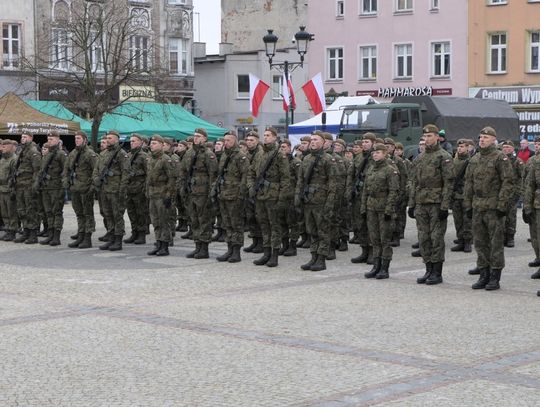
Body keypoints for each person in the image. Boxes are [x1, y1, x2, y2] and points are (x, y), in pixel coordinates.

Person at [464, 126, 513, 291]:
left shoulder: (500, 158)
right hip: (478, 206)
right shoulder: (475, 158)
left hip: (493, 207)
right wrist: (468, 205)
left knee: (495, 243)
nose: (482, 140)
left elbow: (507, 182)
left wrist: (502, 205)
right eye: (480, 137)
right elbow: (468, 183)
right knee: (480, 242)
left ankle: (495, 277)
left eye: (486, 137)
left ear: (493, 139)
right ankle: (483, 274)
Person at [408, 124, 454, 285]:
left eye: (430, 136)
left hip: (436, 202)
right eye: (425, 137)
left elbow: (449, 183)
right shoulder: (420, 158)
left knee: (436, 238)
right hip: (421, 202)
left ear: (437, 137)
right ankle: (428, 269)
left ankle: (437, 272)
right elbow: (413, 182)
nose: (427, 139)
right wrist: (412, 204)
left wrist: (445, 206)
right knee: (424, 238)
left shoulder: (444, 156)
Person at [247, 127, 291, 268]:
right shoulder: (260, 154)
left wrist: (282, 198)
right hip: (260, 195)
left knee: (275, 226)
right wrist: (251, 187)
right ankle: (266, 253)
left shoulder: (279, 155)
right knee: (264, 225)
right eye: (264, 135)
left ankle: (274, 255)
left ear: (274, 137)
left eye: (268, 135)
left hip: (273, 195)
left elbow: (285, 179)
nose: (265, 137)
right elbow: (251, 173)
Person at [295, 131, 336, 271]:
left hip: (322, 201)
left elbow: (333, 184)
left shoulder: (328, 159)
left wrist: (329, 204)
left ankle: (321, 259)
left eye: (316, 140)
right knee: (311, 231)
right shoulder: (306, 159)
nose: (312, 142)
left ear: (323, 142)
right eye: (311, 139)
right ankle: (313, 257)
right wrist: (298, 198)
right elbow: (300, 180)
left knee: (322, 231)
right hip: (308, 201)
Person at [361, 143, 399, 279]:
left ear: (384, 153)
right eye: (373, 153)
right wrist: (363, 207)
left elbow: (394, 191)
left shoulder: (390, 170)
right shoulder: (371, 169)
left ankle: (384, 267)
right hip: (371, 207)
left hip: (384, 208)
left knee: (385, 239)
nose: (375, 154)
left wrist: (389, 210)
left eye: (378, 152)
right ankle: (375, 266)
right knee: (374, 239)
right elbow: (365, 190)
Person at [179, 128, 218, 259]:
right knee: (194, 220)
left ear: (205, 139)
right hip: (191, 192)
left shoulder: (208, 154)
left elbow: (214, 175)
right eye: (194, 136)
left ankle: (204, 248)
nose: (196, 138)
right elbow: (183, 171)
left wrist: (211, 194)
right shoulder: (189, 153)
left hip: (203, 193)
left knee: (204, 221)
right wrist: (182, 187)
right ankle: (197, 246)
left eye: (199, 136)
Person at [213, 131, 249, 263]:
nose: (225, 143)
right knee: (226, 223)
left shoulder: (241, 157)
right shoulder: (224, 156)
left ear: (235, 141)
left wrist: (241, 195)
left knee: (236, 224)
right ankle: (229, 249)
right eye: (225, 140)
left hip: (235, 196)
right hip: (223, 195)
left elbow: (245, 177)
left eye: (228, 140)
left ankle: (236, 251)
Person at [92, 130, 130, 251]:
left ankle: (118, 240)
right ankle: (111, 237)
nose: (108, 140)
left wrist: (122, 190)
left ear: (117, 139)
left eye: (110, 138)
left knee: (117, 215)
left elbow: (126, 173)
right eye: (107, 138)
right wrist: (96, 179)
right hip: (104, 189)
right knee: (108, 215)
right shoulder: (103, 153)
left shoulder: (121, 154)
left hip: (115, 190)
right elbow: (96, 169)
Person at [63, 130, 98, 249]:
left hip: (86, 188)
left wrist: (92, 187)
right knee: (79, 214)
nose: (76, 140)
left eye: (78, 138)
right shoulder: (73, 152)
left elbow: (96, 171)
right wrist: (66, 181)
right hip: (75, 188)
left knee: (87, 214)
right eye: (75, 138)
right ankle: (81, 235)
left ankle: (87, 238)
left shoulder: (90, 154)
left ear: (85, 140)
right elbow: (66, 169)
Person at [348, 133, 376, 264]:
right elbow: (351, 175)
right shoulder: (358, 158)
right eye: (363, 142)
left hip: (371, 196)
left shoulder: (376, 157)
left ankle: (372, 252)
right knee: (360, 224)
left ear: (373, 143)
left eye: (367, 142)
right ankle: (364, 250)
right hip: (359, 195)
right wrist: (350, 191)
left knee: (371, 224)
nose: (364, 144)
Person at [146, 135, 176, 256]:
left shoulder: (166, 159)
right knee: (156, 221)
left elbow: (172, 179)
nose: (151, 145)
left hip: (163, 195)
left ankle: (165, 246)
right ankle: (158, 243)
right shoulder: (151, 159)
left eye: (154, 143)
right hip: (153, 195)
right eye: (151, 143)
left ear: (161, 145)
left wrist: (169, 195)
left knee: (164, 221)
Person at [13, 132, 42, 244]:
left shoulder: (33, 152)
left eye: (25, 137)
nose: (22, 139)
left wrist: (34, 185)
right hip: (20, 185)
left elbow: (37, 170)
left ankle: (33, 234)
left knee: (31, 210)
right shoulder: (22, 151)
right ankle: (26, 232)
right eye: (22, 137)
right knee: (22, 210)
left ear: (31, 138)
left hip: (29, 186)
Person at [123, 133, 149, 245]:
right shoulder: (128, 155)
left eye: (134, 141)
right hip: (130, 189)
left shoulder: (144, 156)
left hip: (140, 189)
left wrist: (145, 189)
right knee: (131, 212)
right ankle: (134, 232)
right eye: (131, 141)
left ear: (140, 142)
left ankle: (142, 234)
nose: (132, 143)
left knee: (141, 212)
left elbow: (149, 174)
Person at [450, 139, 473, 253]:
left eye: (463, 147)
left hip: (466, 196)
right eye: (459, 147)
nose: (460, 148)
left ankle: (468, 242)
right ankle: (460, 240)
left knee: (467, 221)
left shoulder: (471, 161)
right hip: (455, 196)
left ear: (468, 148)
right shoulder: (453, 161)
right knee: (457, 220)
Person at [501, 140, 524, 248]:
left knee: (511, 216)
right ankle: (502, 237)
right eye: (504, 147)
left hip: (512, 193)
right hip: (501, 194)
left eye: (508, 147)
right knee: (501, 216)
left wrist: (518, 192)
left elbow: (523, 178)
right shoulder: (500, 160)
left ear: (513, 149)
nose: (506, 149)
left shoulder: (517, 161)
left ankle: (510, 237)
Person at [0, 140, 18, 241]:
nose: (2, 149)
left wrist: (13, 190)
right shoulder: (2, 159)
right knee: (4, 212)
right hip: (1, 189)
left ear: (10, 147)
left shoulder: (14, 159)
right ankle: (7, 230)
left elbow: (14, 176)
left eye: (5, 147)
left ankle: (13, 232)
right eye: (2, 147)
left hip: (9, 189)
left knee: (12, 213)